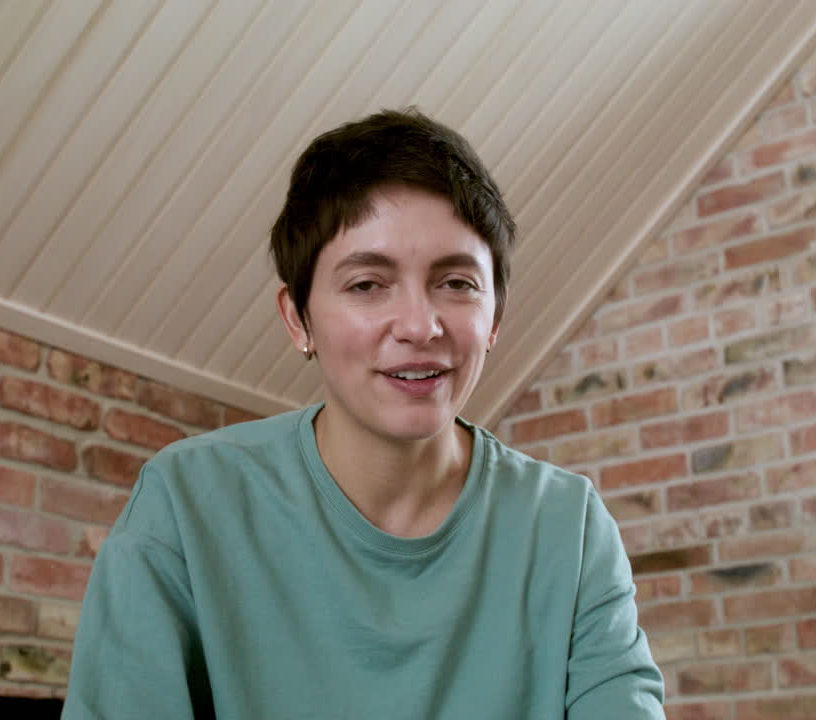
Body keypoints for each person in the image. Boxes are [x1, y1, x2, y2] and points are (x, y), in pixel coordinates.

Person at [62, 109, 664, 719]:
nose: (419, 326)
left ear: (496, 318)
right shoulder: (184, 504)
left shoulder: (569, 525)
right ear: (298, 319)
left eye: (456, 282)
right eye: (367, 285)